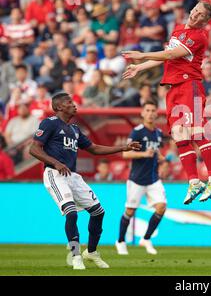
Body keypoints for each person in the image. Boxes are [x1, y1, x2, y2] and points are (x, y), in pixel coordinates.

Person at [122, 2, 211, 204]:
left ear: (205, 22)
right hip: (174, 88)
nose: (195, 15)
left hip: (190, 86)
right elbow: (166, 58)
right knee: (179, 134)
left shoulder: (199, 37)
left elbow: (169, 54)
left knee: (196, 132)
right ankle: (194, 182)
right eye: (195, 10)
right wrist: (140, 67)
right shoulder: (178, 30)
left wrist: (142, 54)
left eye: (201, 15)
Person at [28, 93, 141, 270]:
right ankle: (75, 256)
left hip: (72, 176)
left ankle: (92, 252)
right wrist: (56, 163)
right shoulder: (49, 123)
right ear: (59, 107)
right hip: (54, 174)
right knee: (71, 213)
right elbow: (33, 148)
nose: (74, 105)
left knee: (98, 212)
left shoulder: (75, 129)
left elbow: (94, 148)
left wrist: (124, 147)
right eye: (69, 103)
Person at [116, 101, 166, 255]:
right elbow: (126, 153)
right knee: (130, 211)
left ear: (156, 113)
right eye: (148, 110)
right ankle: (120, 241)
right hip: (137, 179)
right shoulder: (137, 132)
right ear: (143, 113)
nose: (150, 113)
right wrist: (144, 154)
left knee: (161, 207)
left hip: (153, 179)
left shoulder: (158, 133)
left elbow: (157, 152)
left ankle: (146, 238)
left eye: (153, 110)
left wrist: (161, 158)